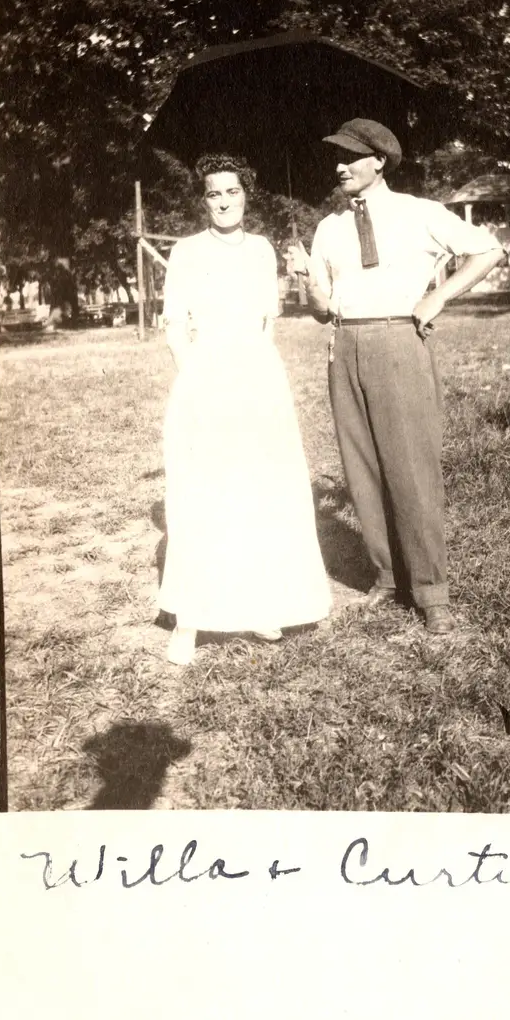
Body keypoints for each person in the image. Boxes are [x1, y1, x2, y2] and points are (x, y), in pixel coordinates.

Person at [291, 118, 505, 635]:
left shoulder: (419, 212)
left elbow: (489, 249)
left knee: (411, 463)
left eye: (350, 156)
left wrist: (436, 298)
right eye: (335, 156)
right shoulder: (328, 228)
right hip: (345, 345)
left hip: (399, 340)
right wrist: (307, 281)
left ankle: (431, 591)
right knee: (360, 466)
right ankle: (387, 576)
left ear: (379, 160)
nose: (338, 165)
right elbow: (322, 310)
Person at [158, 153, 332, 666]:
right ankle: (190, 620)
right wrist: (196, 378)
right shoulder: (186, 252)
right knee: (205, 488)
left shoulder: (262, 250)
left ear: (246, 195)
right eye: (214, 193)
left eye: (232, 192)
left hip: (258, 376)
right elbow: (174, 328)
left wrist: (302, 270)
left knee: (263, 484)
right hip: (206, 374)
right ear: (204, 200)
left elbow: (266, 325)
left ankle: (263, 603)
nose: (223, 201)